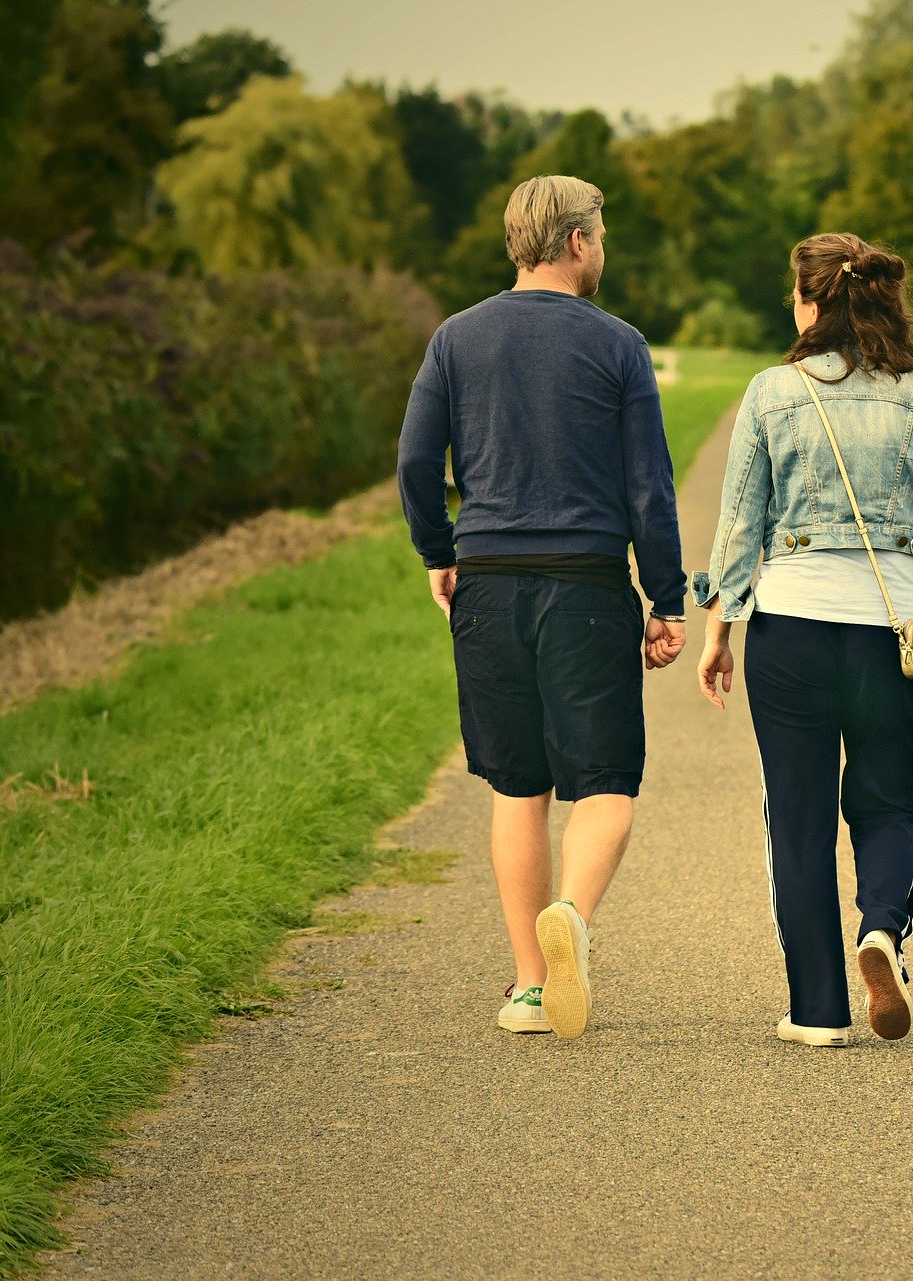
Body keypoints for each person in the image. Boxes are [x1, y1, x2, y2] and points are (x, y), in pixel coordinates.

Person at [693, 232, 913, 1047]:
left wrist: (718, 630)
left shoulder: (772, 392)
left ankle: (817, 1012)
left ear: (810, 303)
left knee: (797, 817)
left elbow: (739, 524)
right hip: (896, 632)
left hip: (789, 629)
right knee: (890, 798)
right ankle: (882, 928)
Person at [396, 175, 687, 1040]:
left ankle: (529, 985)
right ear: (575, 242)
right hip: (586, 587)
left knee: (518, 787)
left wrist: (439, 552)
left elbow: (416, 462)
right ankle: (572, 913)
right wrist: (665, 598)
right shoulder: (619, 345)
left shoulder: (455, 339)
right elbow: (649, 485)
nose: (602, 250)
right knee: (605, 783)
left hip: (486, 584)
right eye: (600, 236)